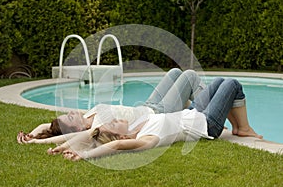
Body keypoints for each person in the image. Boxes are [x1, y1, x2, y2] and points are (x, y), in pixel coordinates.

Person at [62, 78, 263, 161]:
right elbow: (117, 146)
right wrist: (85, 156)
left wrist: (66, 146)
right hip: (208, 123)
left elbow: (91, 134)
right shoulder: (147, 138)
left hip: (193, 111)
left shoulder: (137, 127)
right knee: (232, 84)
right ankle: (243, 128)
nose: (117, 119)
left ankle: (238, 127)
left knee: (218, 81)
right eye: (114, 124)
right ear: (120, 136)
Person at [17, 68, 205, 143]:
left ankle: (195, 111)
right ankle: (208, 114)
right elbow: (65, 139)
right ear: (77, 128)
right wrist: (38, 142)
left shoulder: (90, 114)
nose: (73, 112)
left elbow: (45, 127)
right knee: (189, 76)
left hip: (149, 104)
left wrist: (32, 134)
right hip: (157, 113)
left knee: (174, 72)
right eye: (71, 117)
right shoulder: (97, 127)